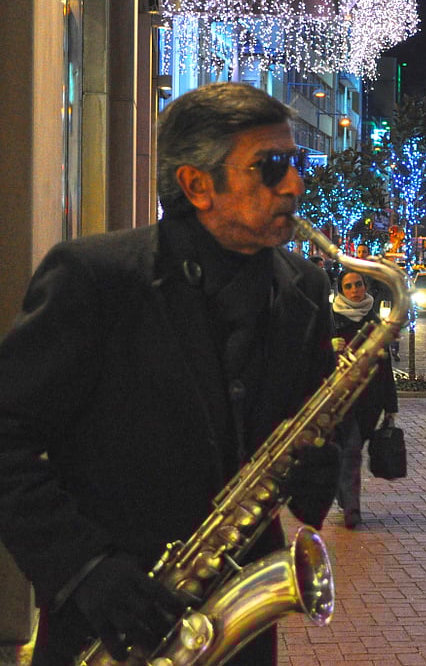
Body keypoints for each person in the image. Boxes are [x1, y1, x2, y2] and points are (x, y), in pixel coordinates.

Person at [0, 83, 341, 665]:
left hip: (237, 627)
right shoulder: (95, 278)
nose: (295, 185)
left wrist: (318, 461)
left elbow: (304, 439)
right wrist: (85, 569)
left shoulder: (304, 287)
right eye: (271, 167)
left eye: (297, 163)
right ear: (196, 185)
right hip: (113, 622)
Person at [330, 270, 399, 529]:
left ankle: (345, 497)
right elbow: (313, 356)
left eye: (358, 284)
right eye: (348, 286)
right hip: (340, 400)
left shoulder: (374, 319)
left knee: (351, 451)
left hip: (370, 399)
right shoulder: (331, 319)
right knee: (350, 450)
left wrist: (391, 407)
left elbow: (385, 365)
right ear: (341, 290)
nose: (355, 290)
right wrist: (331, 349)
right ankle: (352, 508)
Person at [355, 243, 398, 361]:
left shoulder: (374, 269)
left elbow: (383, 289)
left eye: (364, 251)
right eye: (359, 252)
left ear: (368, 253)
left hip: (372, 307)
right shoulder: (352, 268)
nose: (361, 254)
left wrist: (377, 304)